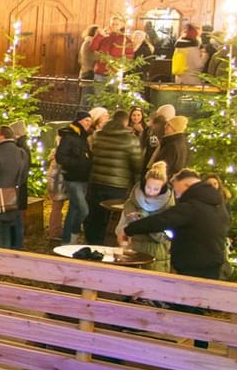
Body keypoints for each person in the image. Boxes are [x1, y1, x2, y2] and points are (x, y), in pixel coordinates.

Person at [123, 169, 230, 280]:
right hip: (212, 264)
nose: (176, 195)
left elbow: (161, 221)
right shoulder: (218, 205)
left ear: (186, 185)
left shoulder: (191, 207)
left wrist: (128, 230)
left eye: (176, 189)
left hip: (192, 267)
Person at [87, 108, 144, 245]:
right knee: (114, 216)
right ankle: (110, 244)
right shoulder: (131, 140)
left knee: (95, 215)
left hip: (96, 182)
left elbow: (91, 154)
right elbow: (137, 165)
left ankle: (93, 243)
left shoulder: (98, 135)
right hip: (118, 185)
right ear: (125, 122)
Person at [114, 162, 176, 272]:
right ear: (144, 185)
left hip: (157, 253)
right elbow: (123, 226)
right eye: (148, 187)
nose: (151, 192)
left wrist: (143, 223)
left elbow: (165, 236)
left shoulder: (169, 208)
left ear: (162, 189)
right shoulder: (132, 202)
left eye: (156, 189)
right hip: (134, 248)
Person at [55, 107, 103, 245]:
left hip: (83, 179)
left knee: (74, 210)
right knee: (83, 209)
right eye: (86, 120)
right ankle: (74, 233)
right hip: (73, 179)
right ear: (79, 121)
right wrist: (79, 163)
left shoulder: (83, 137)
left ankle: (68, 241)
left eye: (90, 121)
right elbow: (60, 157)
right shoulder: (70, 136)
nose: (89, 123)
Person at [0, 124, 29, 250]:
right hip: (12, 194)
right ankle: (7, 254)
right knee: (7, 226)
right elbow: (23, 175)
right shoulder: (21, 152)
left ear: (2, 136)